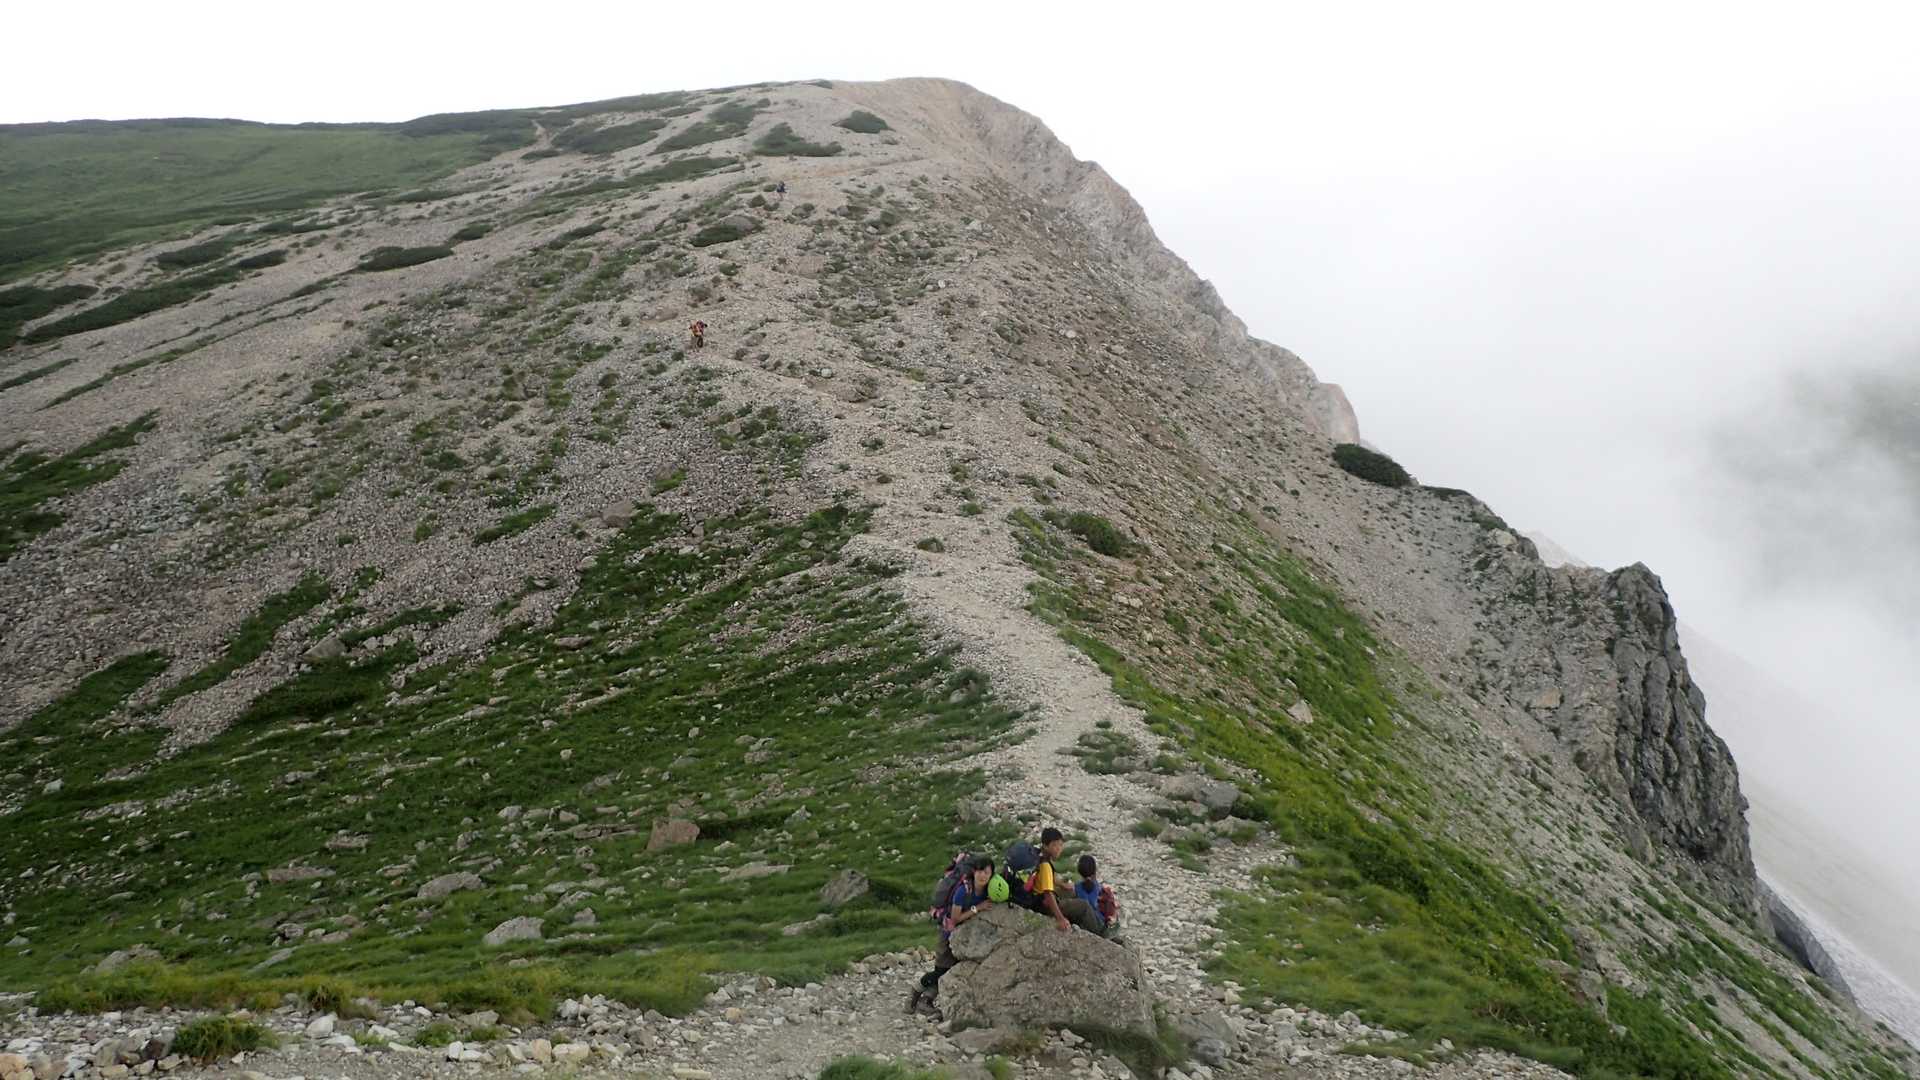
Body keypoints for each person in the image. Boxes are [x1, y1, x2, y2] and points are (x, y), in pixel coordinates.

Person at [909, 855, 994, 1015]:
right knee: (942, 971)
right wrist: (977, 908)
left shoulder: (988, 891)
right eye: (980, 871)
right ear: (974, 872)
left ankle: (926, 1001)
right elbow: (955, 918)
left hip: (965, 937)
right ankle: (916, 991)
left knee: (949, 970)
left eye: (987, 872)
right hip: (948, 933)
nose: (983, 875)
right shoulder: (963, 890)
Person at [1018, 828, 1104, 934]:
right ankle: (1099, 931)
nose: (1058, 848)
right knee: (1084, 905)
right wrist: (1060, 919)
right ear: (1045, 846)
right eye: (1054, 845)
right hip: (1043, 905)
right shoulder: (1045, 866)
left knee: (1071, 892)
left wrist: (1062, 884)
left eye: (1060, 845)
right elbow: (1048, 894)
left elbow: (1049, 878)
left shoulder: (1039, 855)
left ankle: (1081, 919)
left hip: (1036, 897)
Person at [1074, 854, 1119, 937]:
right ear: (1095, 871)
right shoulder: (1102, 890)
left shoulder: (1076, 888)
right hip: (1101, 926)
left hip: (1085, 923)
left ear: (1079, 871)